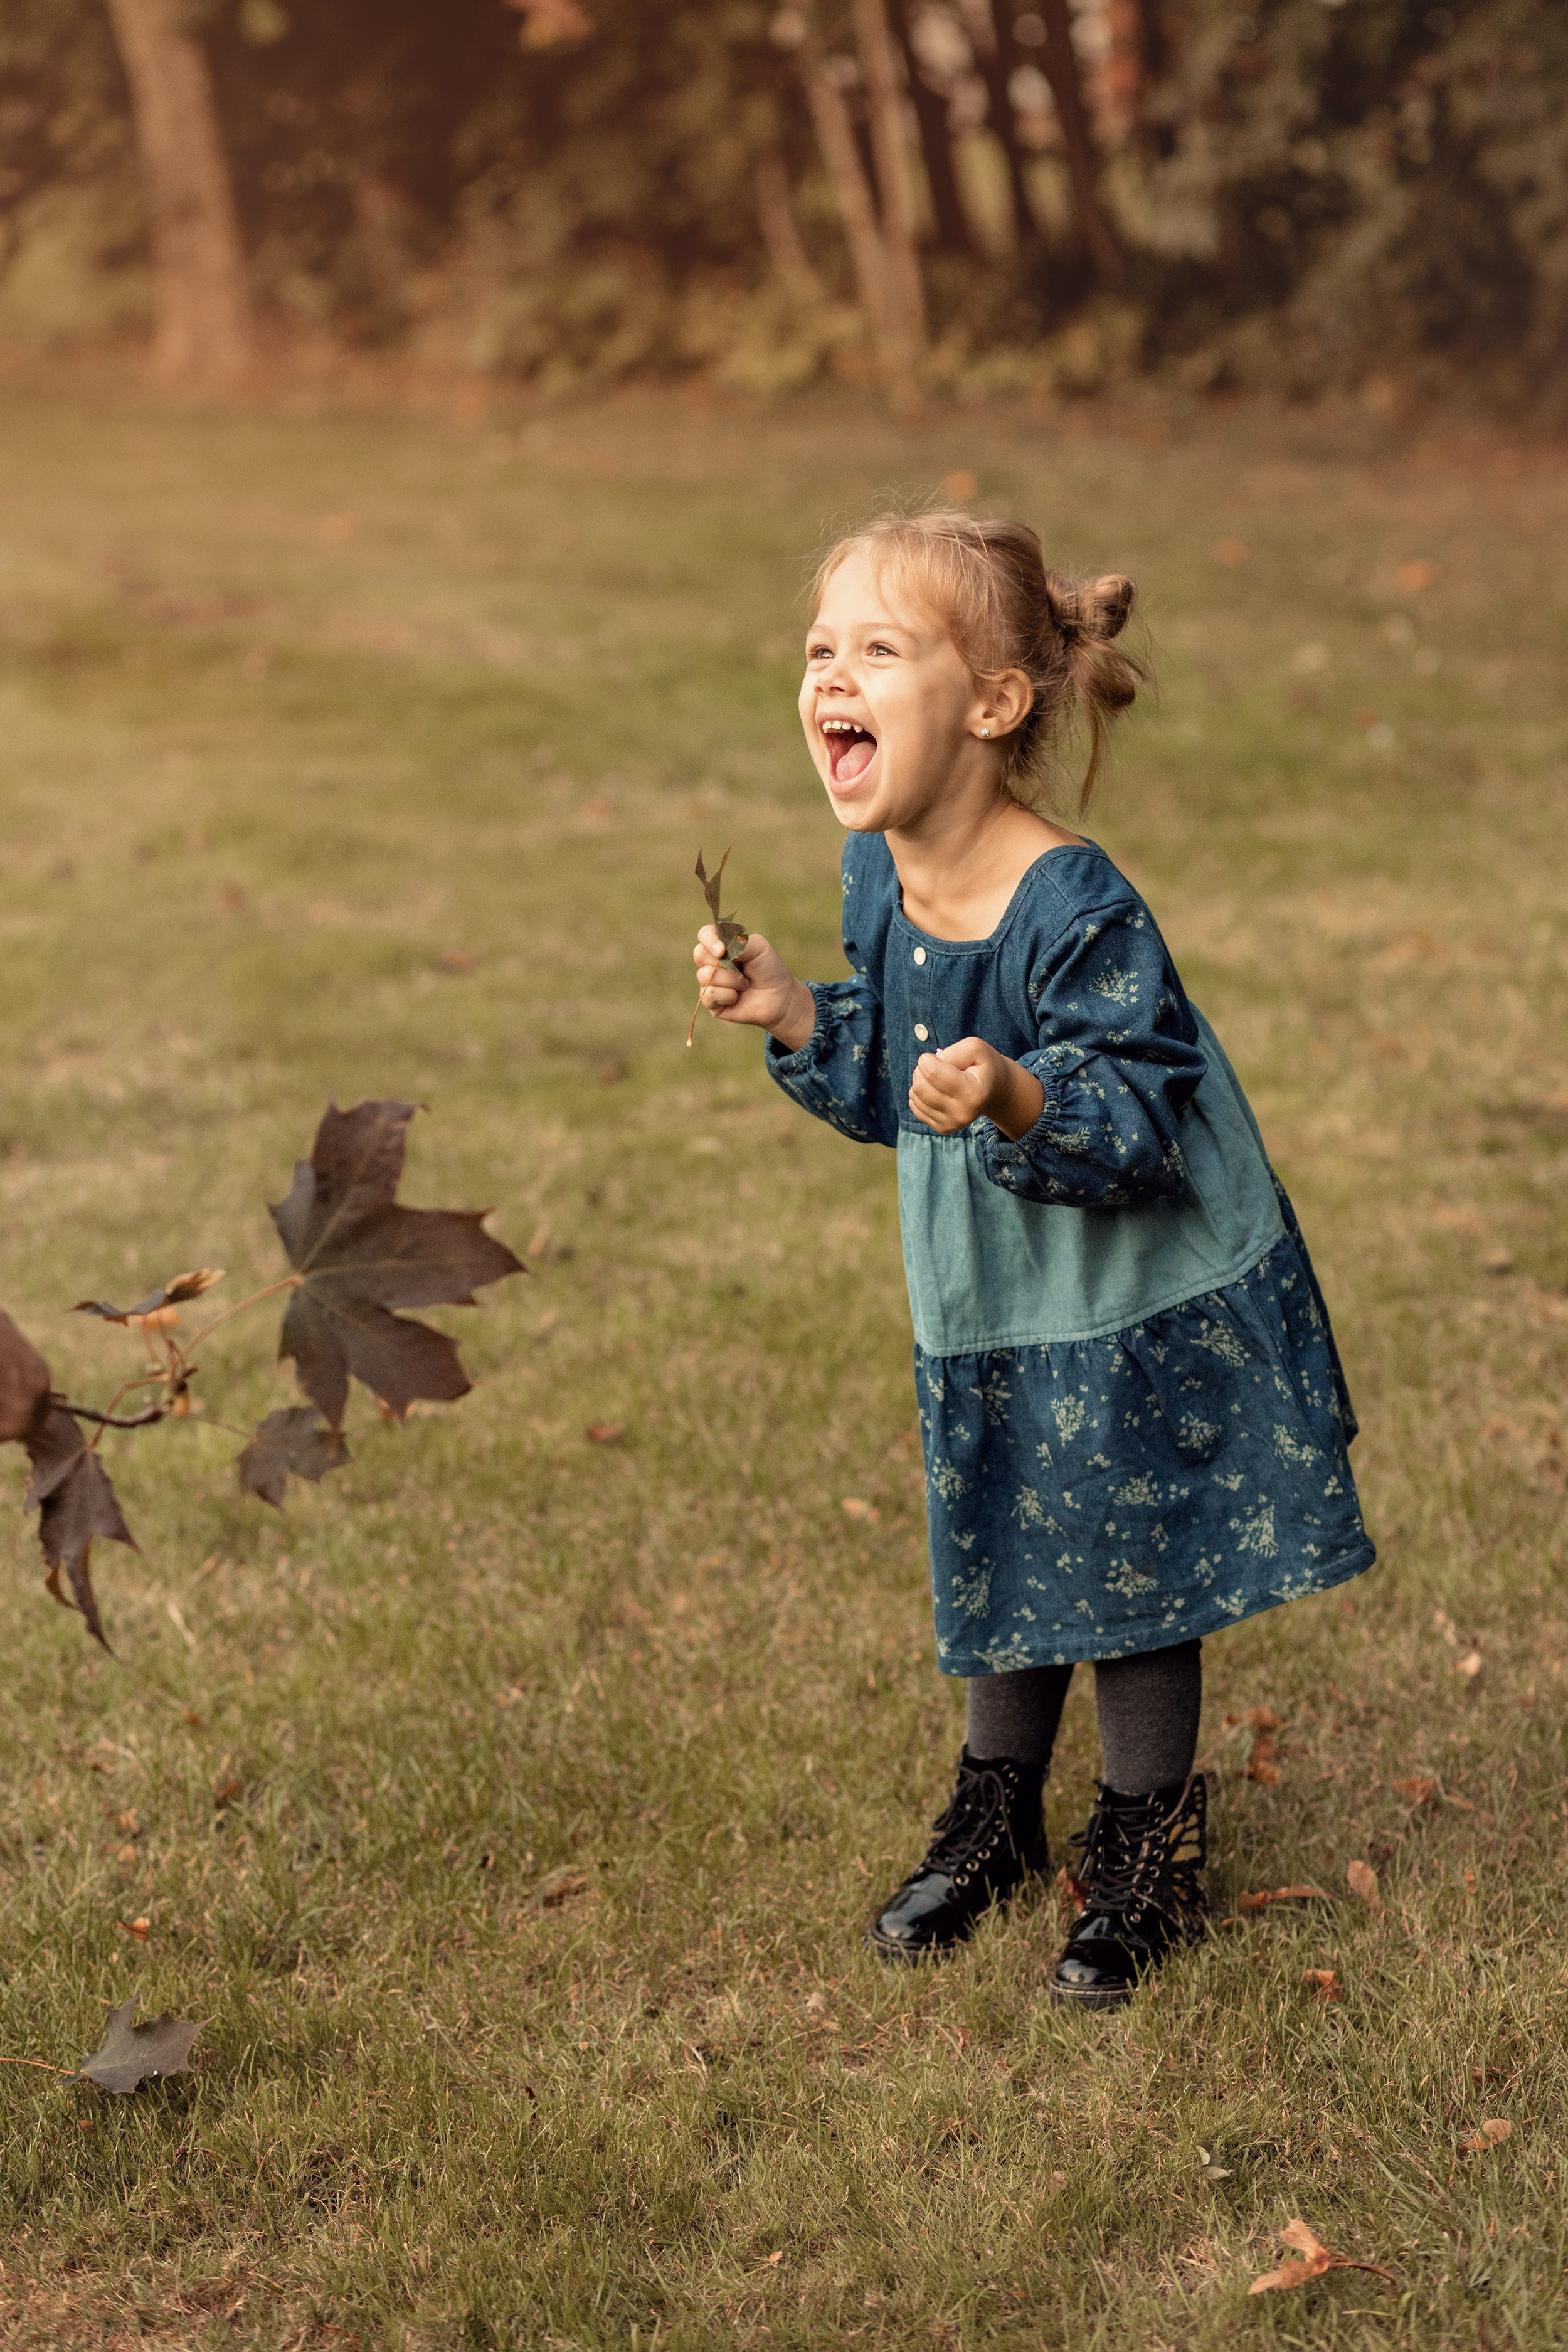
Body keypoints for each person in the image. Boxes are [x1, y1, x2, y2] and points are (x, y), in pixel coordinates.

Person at [691, 512, 1374, 2009]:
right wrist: (797, 1015)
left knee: (1125, 1557)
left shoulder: (1074, 900)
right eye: (820, 650)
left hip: (1119, 1282)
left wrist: (1011, 1089)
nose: (832, 678)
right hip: (988, 1290)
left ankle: (1144, 1845)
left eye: (879, 649)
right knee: (1007, 1513)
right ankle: (997, 1811)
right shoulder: (873, 870)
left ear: (994, 704)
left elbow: (1137, 1104)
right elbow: (889, 1066)